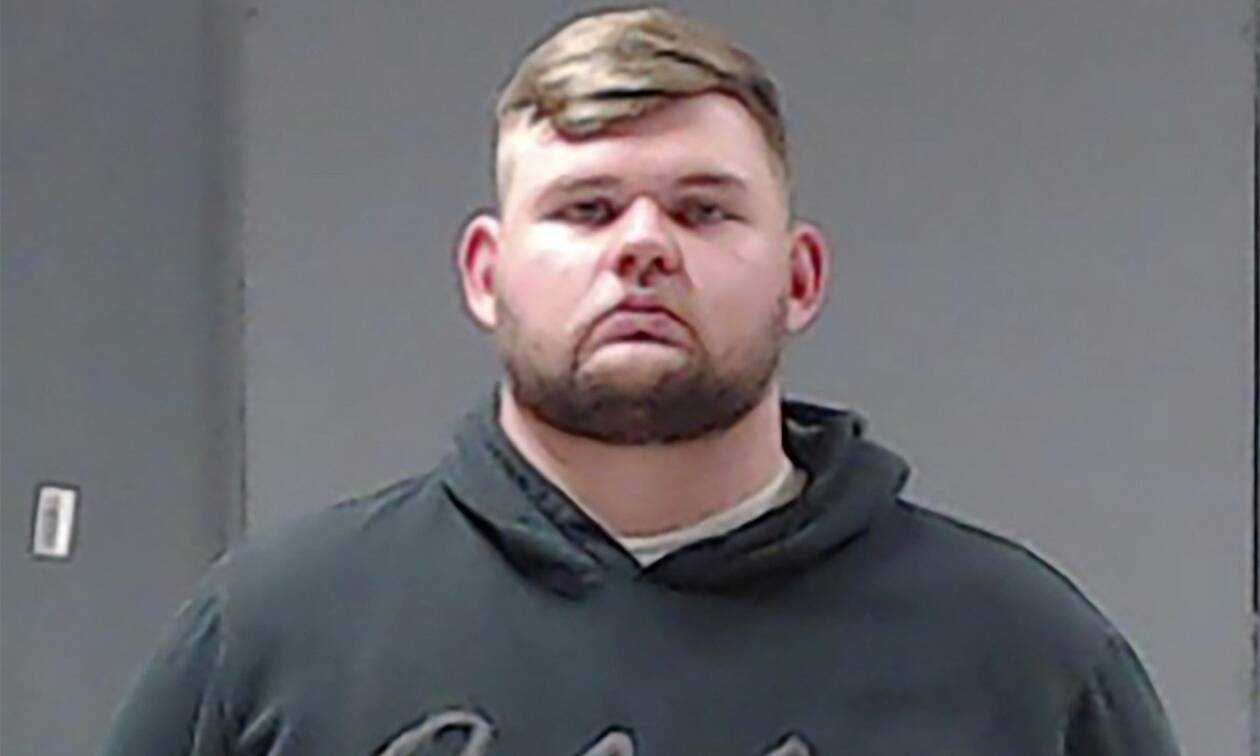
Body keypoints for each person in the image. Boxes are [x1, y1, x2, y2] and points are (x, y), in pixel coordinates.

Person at [102, 5, 1182, 754]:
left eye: (703, 210)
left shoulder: (1021, 658)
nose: (643, 246)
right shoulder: (276, 637)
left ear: (800, 277)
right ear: (486, 274)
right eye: (586, 209)